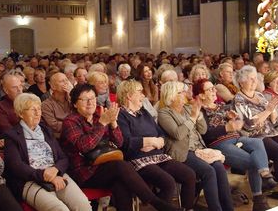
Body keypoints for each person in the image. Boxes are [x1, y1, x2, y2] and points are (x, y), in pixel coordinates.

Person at [60, 84, 180, 211]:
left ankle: (156, 204)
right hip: (84, 172)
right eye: (84, 99)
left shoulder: (98, 116)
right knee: (120, 165)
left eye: (93, 98)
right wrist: (102, 123)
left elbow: (119, 142)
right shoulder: (71, 121)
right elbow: (84, 146)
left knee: (121, 184)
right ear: (74, 104)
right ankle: (157, 203)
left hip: (105, 166)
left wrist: (113, 123)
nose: (90, 103)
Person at [193, 78, 278, 210]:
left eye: (214, 87)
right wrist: (227, 127)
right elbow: (206, 135)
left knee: (257, 142)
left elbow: (240, 123)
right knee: (255, 161)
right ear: (201, 95)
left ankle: (265, 177)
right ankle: (260, 197)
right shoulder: (200, 110)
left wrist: (232, 118)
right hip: (219, 143)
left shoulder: (221, 106)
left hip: (236, 138)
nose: (214, 90)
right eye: (210, 89)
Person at [116, 80, 196, 210]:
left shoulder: (144, 113)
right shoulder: (120, 115)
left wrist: (156, 142)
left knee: (189, 175)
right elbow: (126, 142)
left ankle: (187, 209)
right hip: (138, 160)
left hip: (158, 155)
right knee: (168, 183)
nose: (143, 96)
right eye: (140, 92)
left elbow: (161, 134)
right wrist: (150, 141)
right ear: (129, 95)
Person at [4, 93, 91, 211]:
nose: (37, 113)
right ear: (20, 113)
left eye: (39, 109)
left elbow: (63, 158)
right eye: (32, 109)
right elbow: (16, 166)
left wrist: (56, 170)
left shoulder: (46, 131)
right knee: (59, 209)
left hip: (56, 174)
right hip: (30, 180)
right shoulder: (12, 135)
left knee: (83, 205)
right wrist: (46, 176)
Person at [158, 81, 233, 211]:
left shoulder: (188, 108)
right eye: (182, 92)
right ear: (172, 95)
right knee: (208, 171)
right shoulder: (164, 113)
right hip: (183, 152)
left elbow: (203, 130)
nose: (186, 94)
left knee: (219, 167)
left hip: (199, 148)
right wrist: (193, 118)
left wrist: (198, 117)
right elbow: (178, 134)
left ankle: (228, 209)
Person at [233, 65, 278, 202]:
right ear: (241, 82)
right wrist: (267, 111)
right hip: (254, 136)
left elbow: (273, 118)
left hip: (269, 131)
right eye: (251, 79)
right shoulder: (239, 99)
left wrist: (272, 109)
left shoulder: (260, 95)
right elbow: (250, 124)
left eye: (255, 79)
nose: (255, 81)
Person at [41, 72, 72, 138]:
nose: (66, 83)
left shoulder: (71, 99)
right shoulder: (46, 104)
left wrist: (72, 96)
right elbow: (53, 125)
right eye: (61, 81)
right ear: (53, 87)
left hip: (76, 132)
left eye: (66, 80)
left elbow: (81, 113)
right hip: (60, 137)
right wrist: (73, 125)